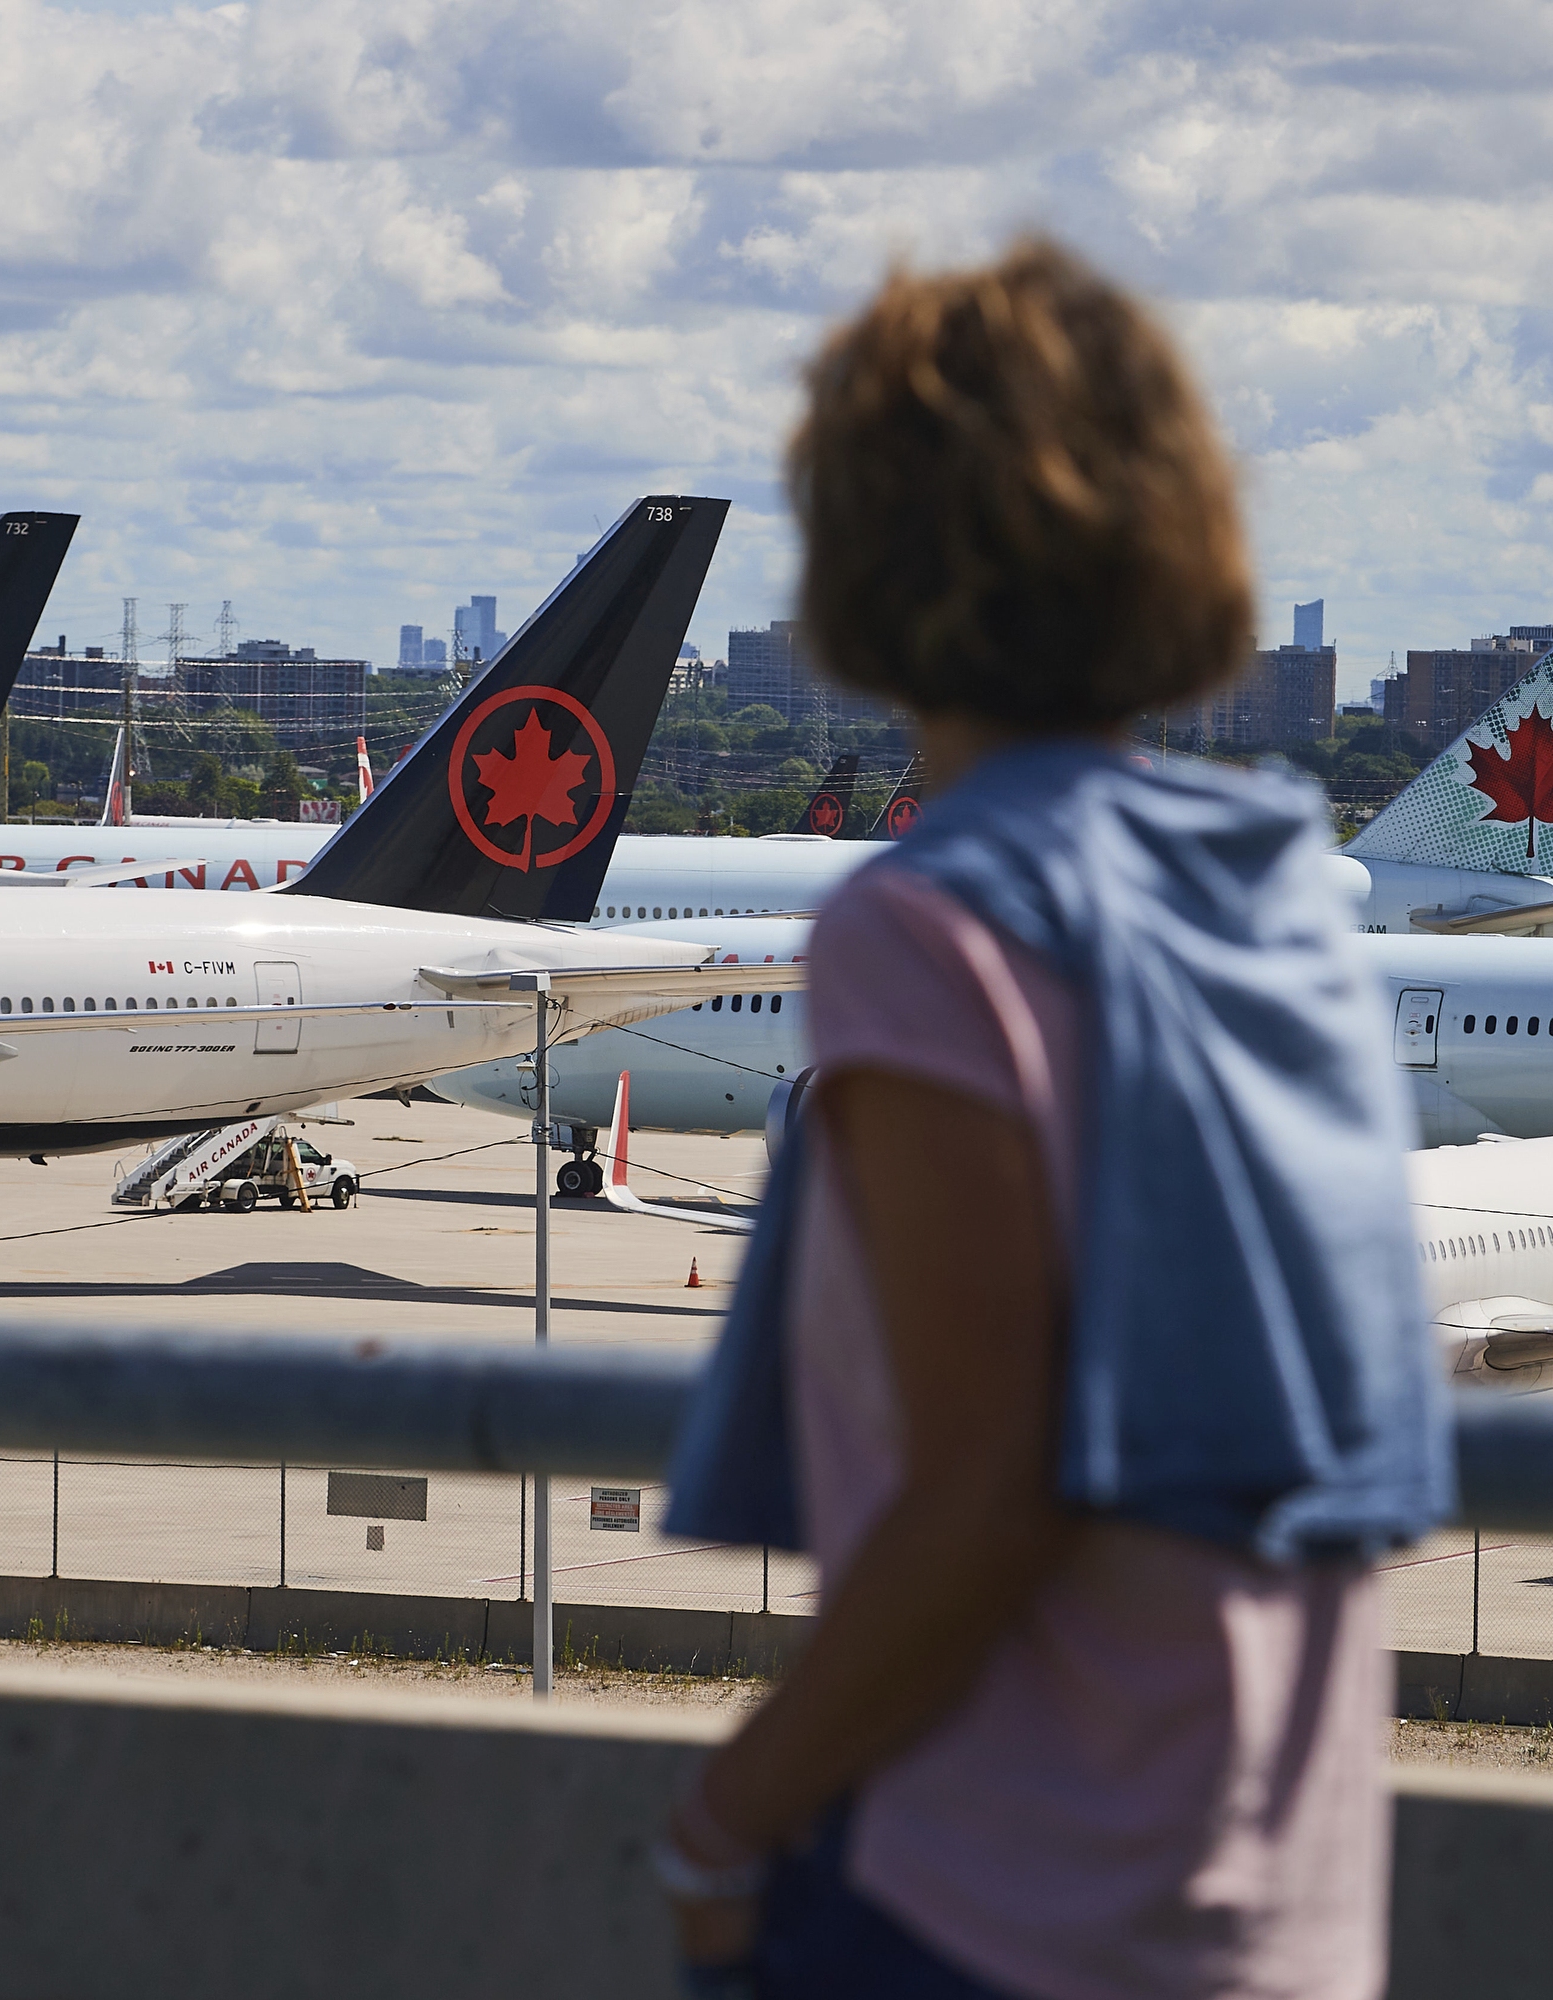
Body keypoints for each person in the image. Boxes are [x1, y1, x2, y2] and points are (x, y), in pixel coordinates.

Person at [656, 240, 1451, 1999]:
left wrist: (724, 1818)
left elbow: (987, 1493)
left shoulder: (930, 924)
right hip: (1283, 1900)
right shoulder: (1289, 891)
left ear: (861, 560)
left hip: (990, 1899)